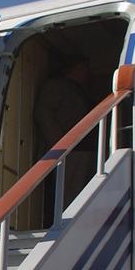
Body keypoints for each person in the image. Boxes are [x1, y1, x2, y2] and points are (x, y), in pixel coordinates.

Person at [36, 55, 97, 219]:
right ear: (74, 69)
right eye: (83, 68)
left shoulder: (80, 90)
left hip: (84, 148)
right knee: (69, 193)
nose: (87, 73)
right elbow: (44, 114)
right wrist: (60, 144)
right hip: (70, 150)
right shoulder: (56, 87)